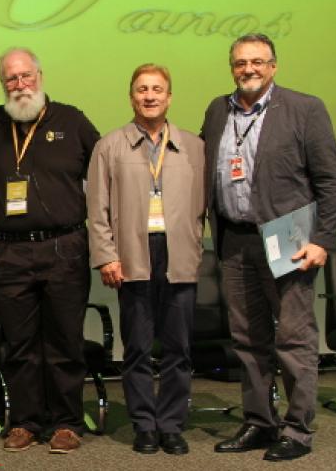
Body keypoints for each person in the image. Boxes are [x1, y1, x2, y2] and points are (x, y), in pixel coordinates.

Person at [202, 34, 336, 461]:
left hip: (289, 238)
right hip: (234, 239)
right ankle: (260, 422)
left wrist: (323, 240)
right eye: (241, 62)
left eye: (258, 62)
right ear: (232, 67)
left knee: (294, 339)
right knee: (247, 339)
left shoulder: (305, 109)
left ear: (274, 66)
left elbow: (332, 181)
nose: (249, 69)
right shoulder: (217, 109)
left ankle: (297, 430)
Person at [0, 47, 100, 454]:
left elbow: (101, 167)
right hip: (12, 253)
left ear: (40, 76)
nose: (20, 84)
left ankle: (65, 422)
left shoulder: (71, 120)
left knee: (65, 339)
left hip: (65, 247)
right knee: (20, 342)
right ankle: (26, 421)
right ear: (2, 84)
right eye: (11, 79)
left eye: (26, 76)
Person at [87, 64, 205, 455]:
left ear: (169, 97)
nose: (150, 95)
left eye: (157, 89)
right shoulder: (109, 146)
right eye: (142, 89)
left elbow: (204, 206)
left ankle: (170, 424)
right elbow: (97, 209)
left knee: (179, 346)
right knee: (136, 345)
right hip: (133, 254)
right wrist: (106, 256)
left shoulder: (194, 147)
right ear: (131, 96)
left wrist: (196, 247)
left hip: (179, 254)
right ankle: (144, 425)